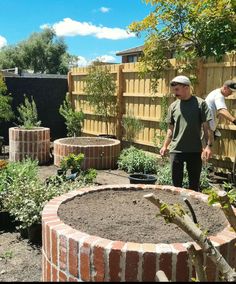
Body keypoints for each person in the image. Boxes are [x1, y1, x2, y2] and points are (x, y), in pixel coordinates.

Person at [160, 75, 214, 191]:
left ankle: (192, 207)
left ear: (186, 87)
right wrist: (165, 146)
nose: (175, 93)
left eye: (177, 89)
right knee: (176, 186)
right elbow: (170, 129)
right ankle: (177, 207)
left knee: (194, 185)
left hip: (194, 150)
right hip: (176, 150)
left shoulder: (200, 104)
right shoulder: (173, 106)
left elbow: (207, 127)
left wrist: (208, 147)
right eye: (173, 90)